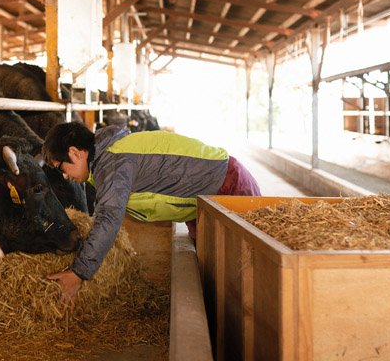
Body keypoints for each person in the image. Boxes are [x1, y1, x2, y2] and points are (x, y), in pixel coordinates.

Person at [42, 122, 261, 311]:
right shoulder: (108, 158)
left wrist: (78, 273)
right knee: (218, 277)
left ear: (75, 153)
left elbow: (108, 220)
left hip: (228, 188)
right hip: (203, 202)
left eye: (61, 167)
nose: (65, 176)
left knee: (248, 278)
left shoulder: (112, 162)